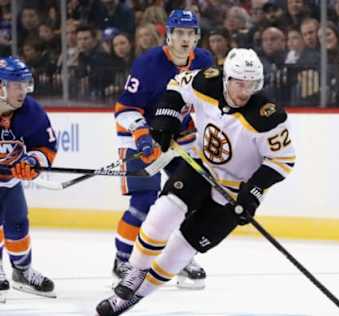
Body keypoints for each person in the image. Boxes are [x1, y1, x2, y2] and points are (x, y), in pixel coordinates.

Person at [95, 48, 296, 316]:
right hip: (200, 167)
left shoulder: (269, 117)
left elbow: (282, 161)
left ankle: (134, 297)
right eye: (239, 83)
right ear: (226, 78)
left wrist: (254, 193)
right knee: (160, 217)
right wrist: (166, 119)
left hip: (234, 192)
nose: (244, 91)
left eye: (252, 85)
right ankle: (134, 272)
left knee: (181, 248)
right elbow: (176, 88)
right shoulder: (206, 81)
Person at [111, 9, 213, 290]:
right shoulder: (148, 64)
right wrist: (143, 135)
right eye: (179, 33)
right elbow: (124, 109)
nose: (184, 39)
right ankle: (122, 259)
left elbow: (208, 105)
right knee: (144, 202)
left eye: (190, 33)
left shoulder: (205, 62)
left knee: (186, 198)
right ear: (168, 35)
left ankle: (178, 260)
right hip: (139, 135)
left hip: (179, 136)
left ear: (197, 37)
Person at [0, 56, 57, 300]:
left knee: (18, 224)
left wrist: (33, 163)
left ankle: (22, 272)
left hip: (10, 182)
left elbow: (46, 146)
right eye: (16, 85)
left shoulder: (31, 111)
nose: (23, 91)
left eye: (25, 84)